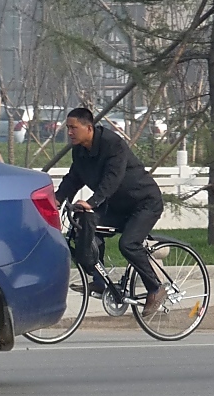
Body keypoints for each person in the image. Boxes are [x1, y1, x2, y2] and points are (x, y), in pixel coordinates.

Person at [54, 107, 167, 316]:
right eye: (67, 128)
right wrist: (57, 199)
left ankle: (155, 288)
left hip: (144, 203)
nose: (69, 132)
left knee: (128, 244)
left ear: (88, 128)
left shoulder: (113, 144)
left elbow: (112, 178)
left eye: (73, 128)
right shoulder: (79, 150)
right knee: (85, 225)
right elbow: (74, 178)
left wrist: (93, 201)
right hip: (117, 205)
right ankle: (99, 280)